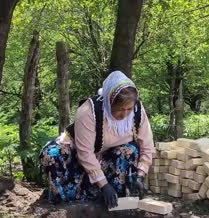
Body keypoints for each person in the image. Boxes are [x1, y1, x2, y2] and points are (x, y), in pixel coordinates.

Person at [39, 71, 154, 208]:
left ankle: (118, 204)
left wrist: (140, 175)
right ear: (109, 102)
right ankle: (69, 206)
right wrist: (104, 185)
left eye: (128, 109)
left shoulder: (137, 111)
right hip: (78, 151)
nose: (124, 114)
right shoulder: (88, 112)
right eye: (119, 109)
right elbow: (85, 153)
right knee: (50, 155)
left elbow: (146, 145)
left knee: (130, 151)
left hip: (108, 153)